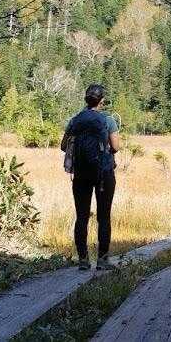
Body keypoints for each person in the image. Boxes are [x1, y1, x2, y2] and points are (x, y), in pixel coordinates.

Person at [61, 84, 121, 270]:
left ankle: (83, 260)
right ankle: (102, 260)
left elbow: (63, 146)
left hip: (81, 174)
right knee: (104, 217)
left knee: (82, 216)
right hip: (104, 173)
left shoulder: (75, 120)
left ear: (86, 99)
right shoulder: (108, 120)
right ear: (102, 100)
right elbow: (116, 147)